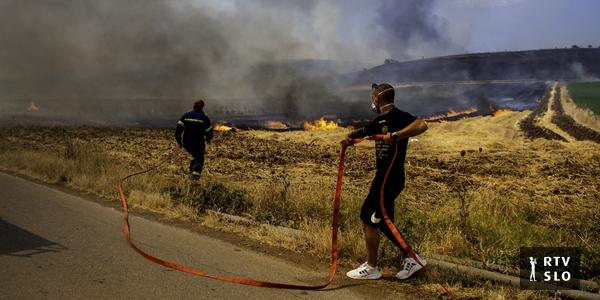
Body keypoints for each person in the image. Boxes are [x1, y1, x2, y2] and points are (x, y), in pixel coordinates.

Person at [341, 83, 428, 280]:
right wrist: (349, 139)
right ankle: (412, 257)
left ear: (378, 98)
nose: (372, 100)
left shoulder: (398, 117)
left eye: (372, 96)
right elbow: (365, 132)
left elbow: (422, 125)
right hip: (383, 177)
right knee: (382, 222)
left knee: (367, 217)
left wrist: (396, 135)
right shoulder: (380, 121)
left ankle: (372, 267)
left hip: (390, 178)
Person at [175, 99, 214, 179]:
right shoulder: (204, 117)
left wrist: (179, 141)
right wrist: (208, 139)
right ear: (202, 107)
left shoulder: (186, 115)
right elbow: (209, 132)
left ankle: (191, 172)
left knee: (194, 155)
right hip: (198, 143)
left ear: (194, 106)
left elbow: (178, 130)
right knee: (199, 159)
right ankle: (195, 179)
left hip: (187, 143)